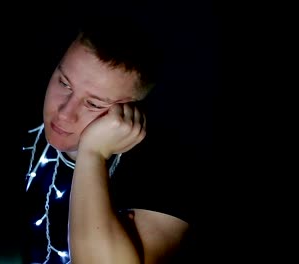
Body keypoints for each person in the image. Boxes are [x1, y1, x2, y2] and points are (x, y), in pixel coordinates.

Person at [21, 14, 191, 264]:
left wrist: (93, 154)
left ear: (129, 112)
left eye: (92, 103)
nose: (64, 113)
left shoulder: (169, 172)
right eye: (65, 84)